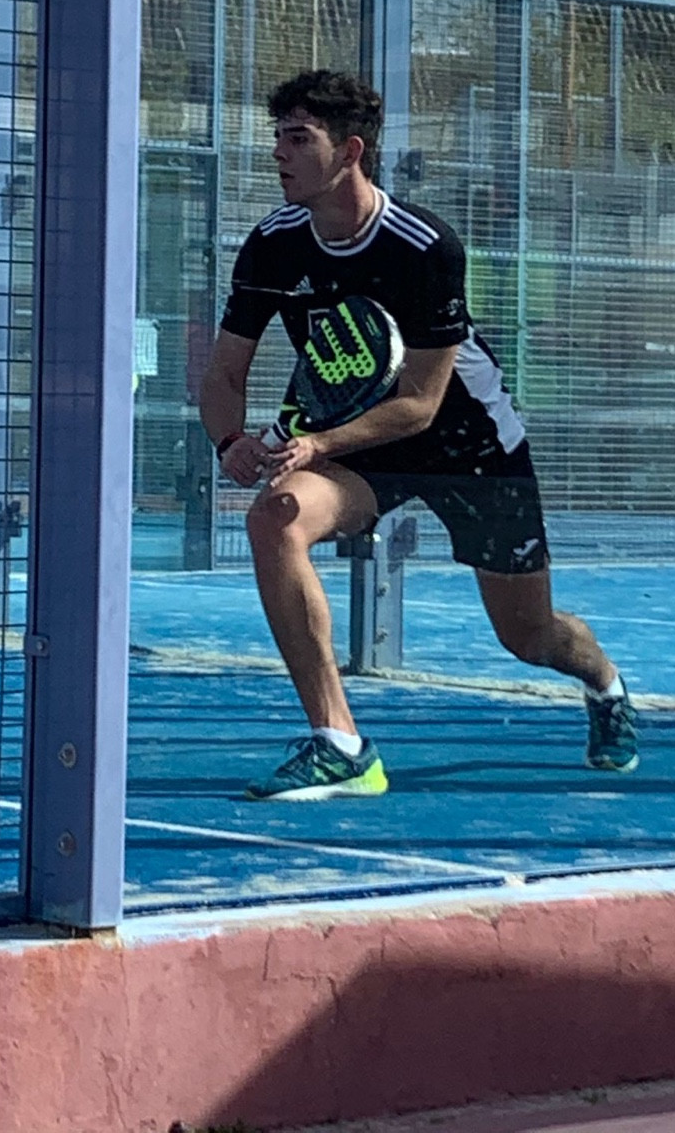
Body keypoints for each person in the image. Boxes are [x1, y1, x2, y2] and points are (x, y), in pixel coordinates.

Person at [199, 70, 637, 800]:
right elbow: (223, 375)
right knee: (275, 518)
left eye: (298, 139)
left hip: (470, 445)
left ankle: (604, 682)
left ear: (351, 152)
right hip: (361, 447)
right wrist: (230, 441)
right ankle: (340, 743)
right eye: (277, 137)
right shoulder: (273, 244)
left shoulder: (425, 245)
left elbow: (420, 405)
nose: (278, 153)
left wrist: (318, 444)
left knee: (528, 636)